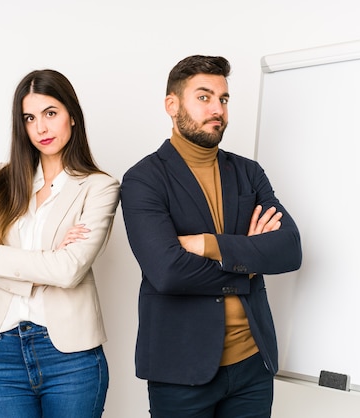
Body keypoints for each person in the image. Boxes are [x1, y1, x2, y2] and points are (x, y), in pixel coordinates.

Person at [120, 55, 302, 417]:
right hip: (181, 370)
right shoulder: (143, 179)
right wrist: (248, 263)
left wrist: (208, 244)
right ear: (172, 105)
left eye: (223, 98)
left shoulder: (248, 173)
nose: (217, 108)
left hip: (252, 364)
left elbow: (289, 248)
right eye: (204, 97)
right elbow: (168, 272)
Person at [0, 69, 119, 418]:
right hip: (5, 353)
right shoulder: (2, 180)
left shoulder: (99, 188)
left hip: (71, 359)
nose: (41, 128)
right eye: (29, 118)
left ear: (72, 116)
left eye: (50, 113)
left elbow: (69, 270)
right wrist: (46, 263)